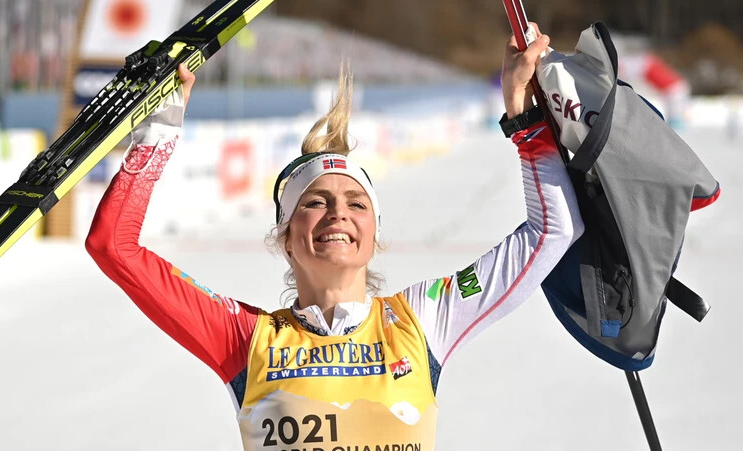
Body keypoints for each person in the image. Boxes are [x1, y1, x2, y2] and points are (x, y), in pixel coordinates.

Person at [86, 24, 582, 451]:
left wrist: (522, 113)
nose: (338, 213)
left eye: (356, 203)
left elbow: (554, 231)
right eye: (316, 202)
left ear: (374, 234)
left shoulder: (423, 319)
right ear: (285, 236)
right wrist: (158, 133)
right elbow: (115, 247)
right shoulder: (245, 338)